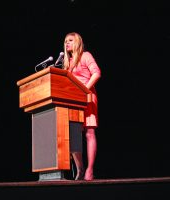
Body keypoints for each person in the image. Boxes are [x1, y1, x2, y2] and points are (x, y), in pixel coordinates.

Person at [62, 32, 101, 181]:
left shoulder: (86, 56)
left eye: (70, 40)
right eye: (65, 41)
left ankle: (90, 170)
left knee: (89, 133)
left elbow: (96, 73)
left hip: (87, 98)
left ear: (77, 42)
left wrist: (85, 90)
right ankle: (80, 167)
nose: (67, 43)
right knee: (73, 135)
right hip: (72, 101)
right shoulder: (67, 62)